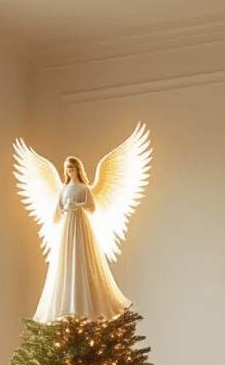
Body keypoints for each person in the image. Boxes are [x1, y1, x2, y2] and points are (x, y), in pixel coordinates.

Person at [14, 126, 151, 324]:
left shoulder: (84, 188)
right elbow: (57, 211)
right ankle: (67, 306)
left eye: (72, 168)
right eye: (67, 169)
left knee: (82, 259)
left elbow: (92, 208)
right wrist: (63, 211)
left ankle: (86, 305)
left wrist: (77, 206)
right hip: (67, 228)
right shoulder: (63, 190)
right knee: (67, 261)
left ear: (78, 169)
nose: (69, 171)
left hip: (80, 225)